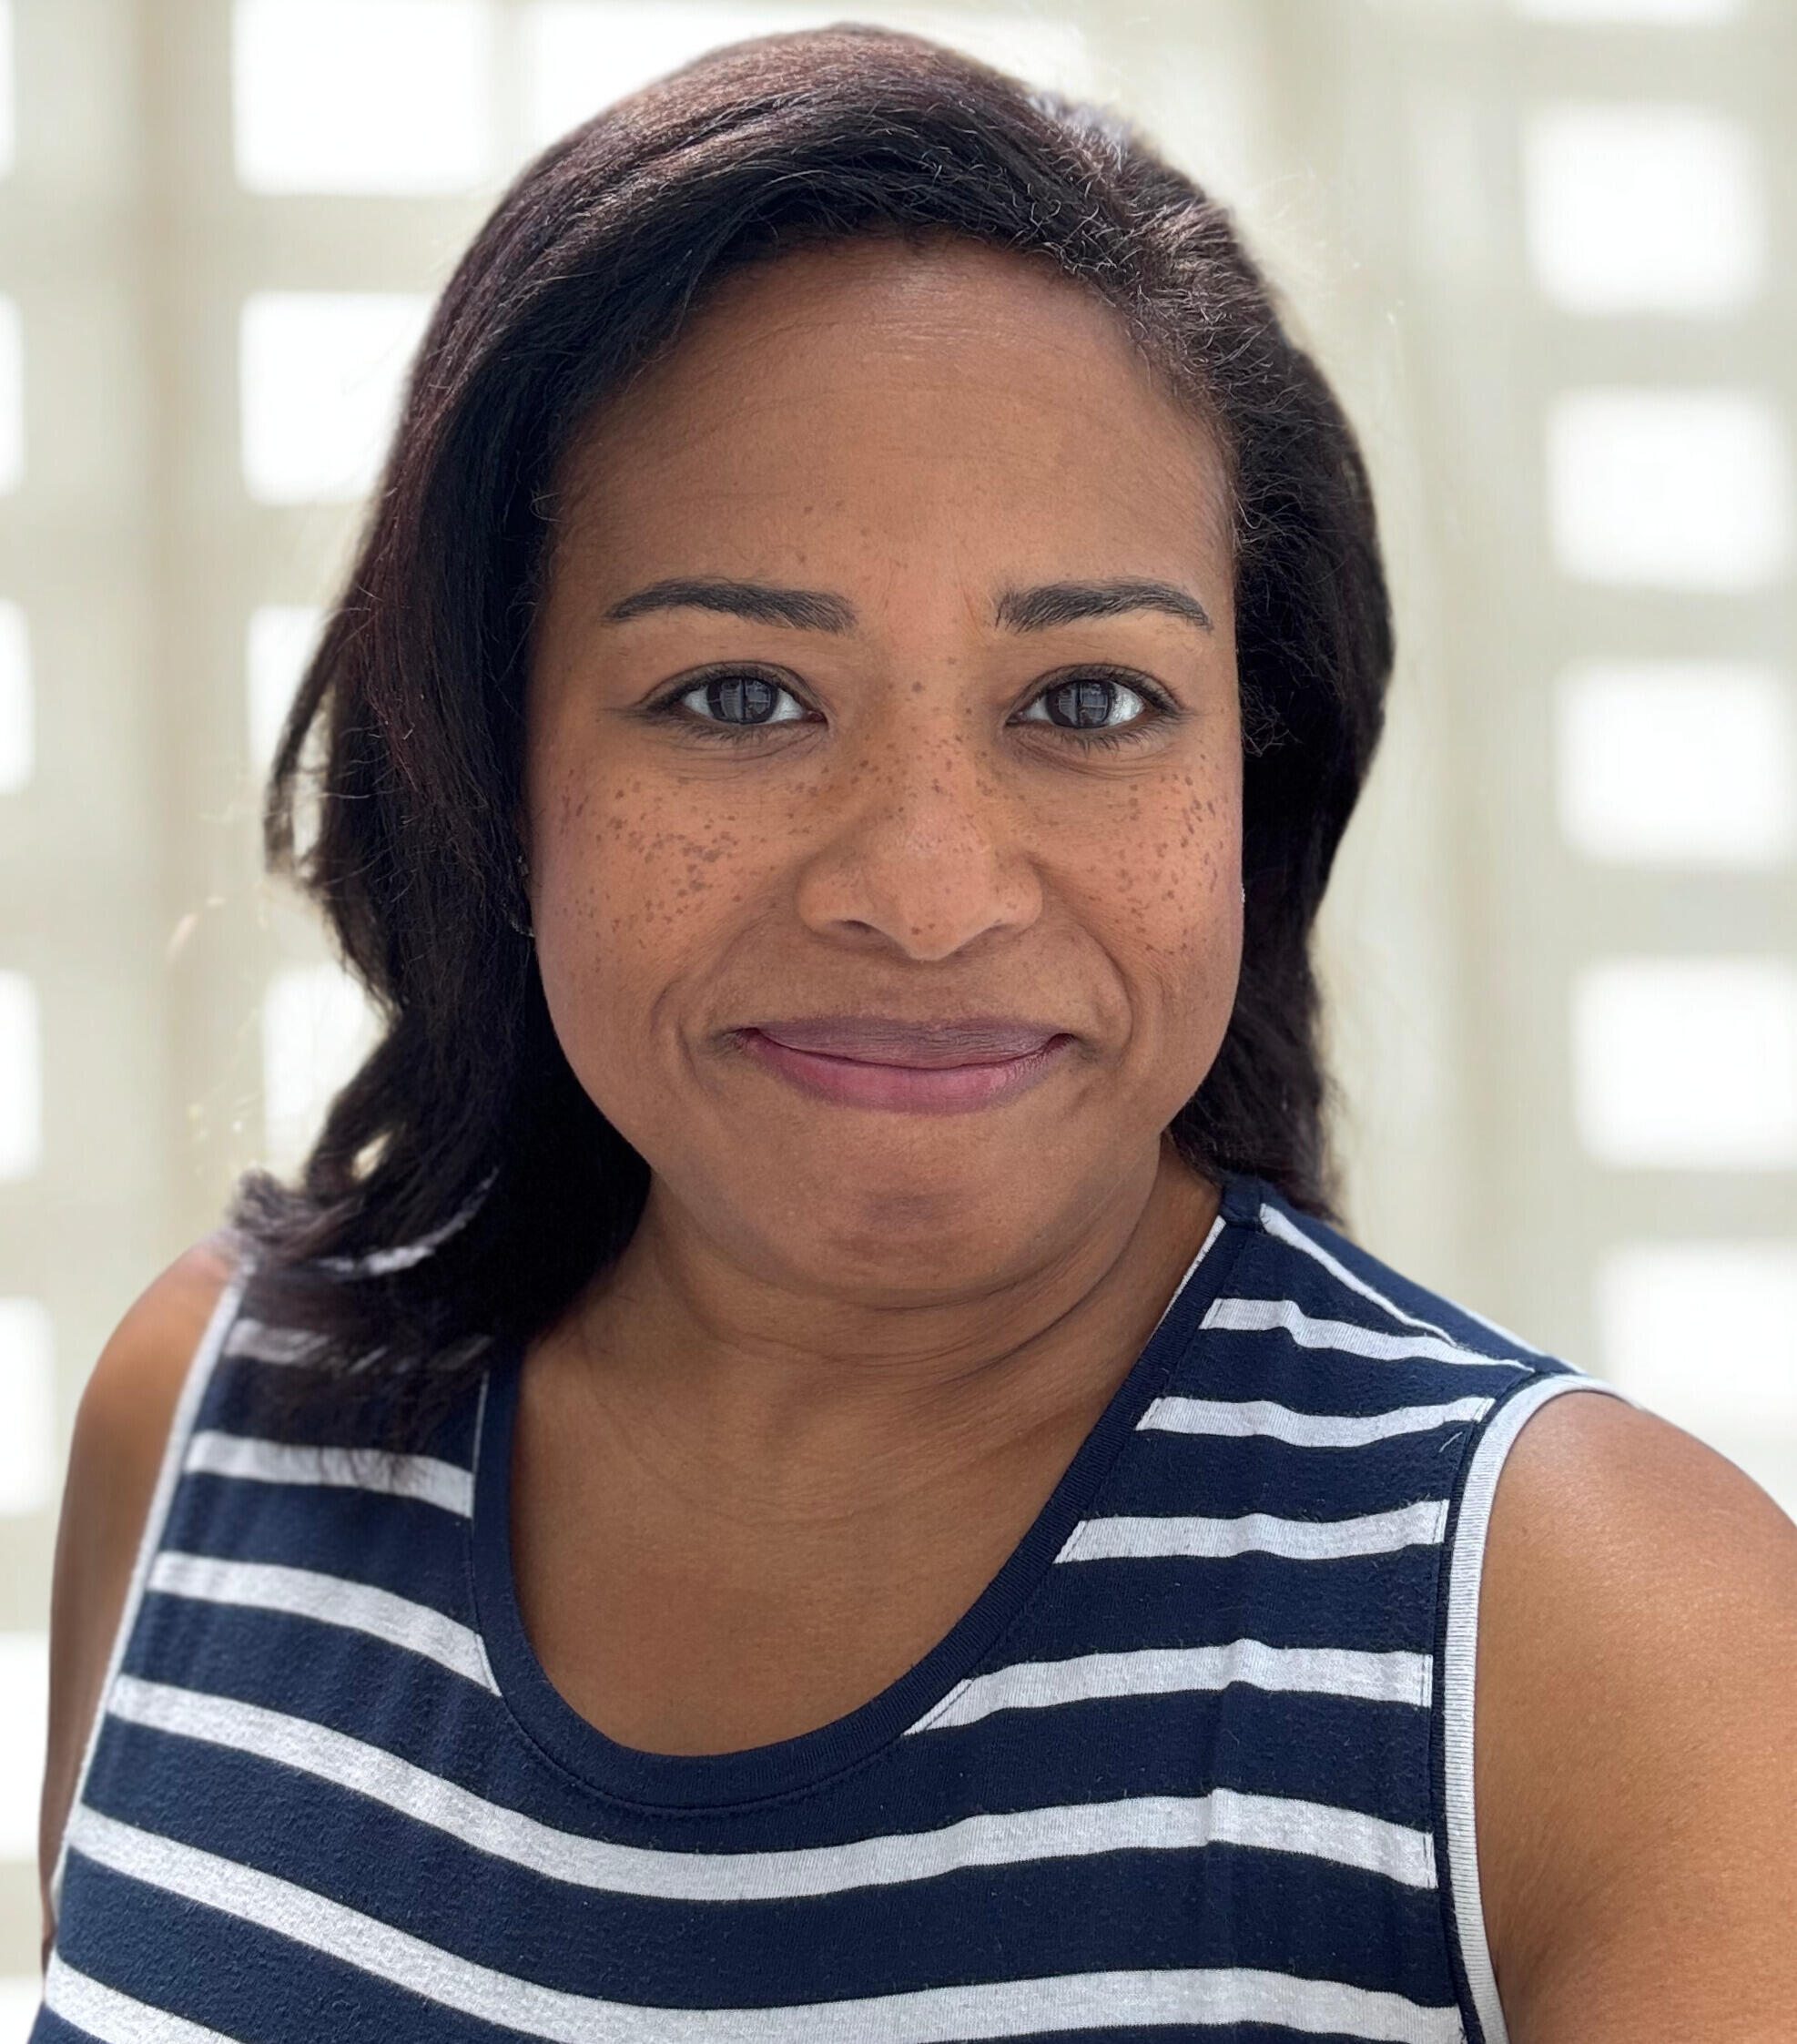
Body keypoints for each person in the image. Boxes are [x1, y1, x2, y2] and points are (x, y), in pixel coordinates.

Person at [34, 26, 1796, 2044]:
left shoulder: (1604, 1660)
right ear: (488, 759)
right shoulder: (202, 1420)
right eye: (738, 696)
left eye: (1089, 701)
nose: (928, 890)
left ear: (1259, 767)